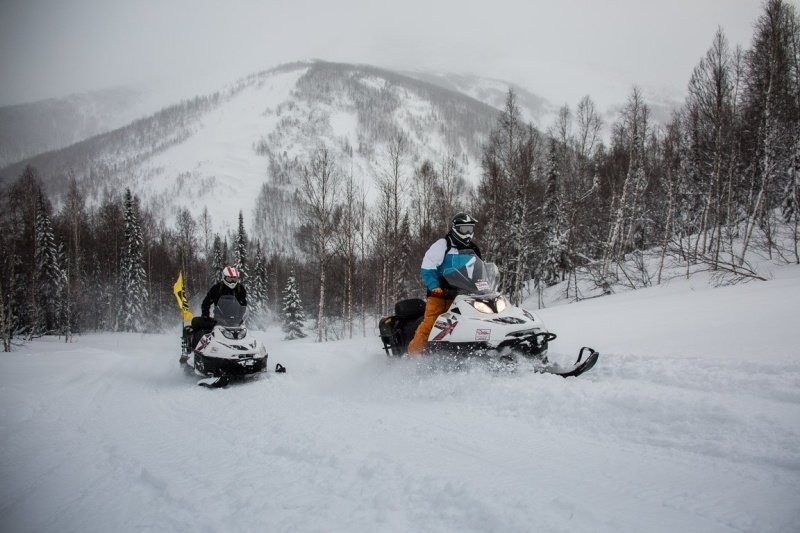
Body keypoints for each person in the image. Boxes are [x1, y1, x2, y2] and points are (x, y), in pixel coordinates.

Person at [407, 212, 482, 355]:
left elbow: (479, 270)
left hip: (465, 296)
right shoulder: (442, 245)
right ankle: (414, 355)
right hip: (441, 295)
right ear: (455, 228)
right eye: (464, 229)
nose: (467, 234)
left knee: (478, 321)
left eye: (470, 229)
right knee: (432, 324)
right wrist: (435, 286)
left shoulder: (474, 249)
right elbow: (427, 268)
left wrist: (483, 285)